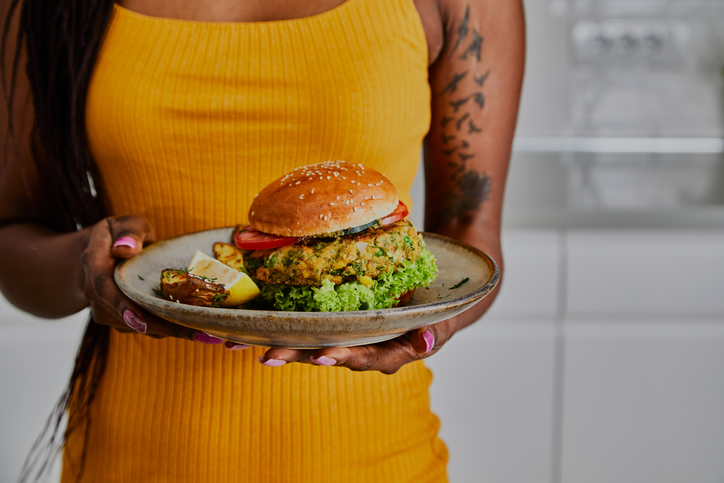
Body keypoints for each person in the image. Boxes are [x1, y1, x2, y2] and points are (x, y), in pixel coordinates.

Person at [0, 0, 525, 480]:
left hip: (376, 457)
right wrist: (85, 265)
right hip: (129, 455)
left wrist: (428, 329)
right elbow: (14, 238)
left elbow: (470, 235)